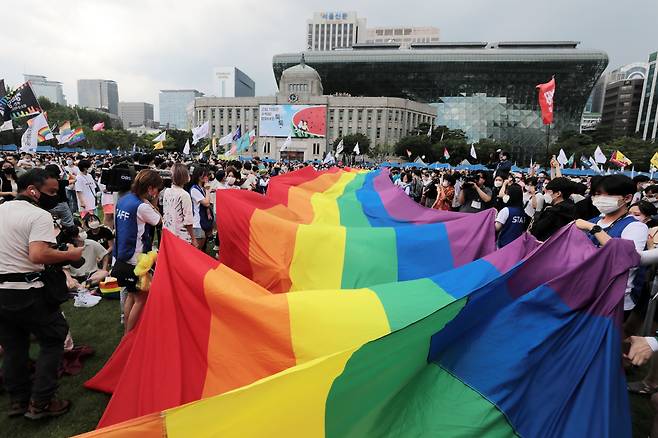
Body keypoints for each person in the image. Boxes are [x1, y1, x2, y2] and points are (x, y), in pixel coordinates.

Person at [0, 169, 84, 419]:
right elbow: (38, 255)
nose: (55, 197)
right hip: (28, 291)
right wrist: (70, 254)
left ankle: (18, 400)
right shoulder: (38, 215)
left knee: (15, 347)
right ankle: (41, 402)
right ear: (33, 190)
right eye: (51, 192)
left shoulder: (2, 209)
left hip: (2, 293)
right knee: (53, 338)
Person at [574, 174, 649, 319]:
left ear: (627, 198)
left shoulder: (636, 226)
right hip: (586, 291)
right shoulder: (596, 220)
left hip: (615, 299)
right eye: (597, 194)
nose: (599, 199)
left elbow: (627, 257)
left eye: (606, 195)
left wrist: (593, 228)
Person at [111, 169, 162, 334]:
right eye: (157, 189)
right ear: (150, 188)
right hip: (136, 258)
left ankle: (128, 330)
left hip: (121, 254)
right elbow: (158, 220)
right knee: (140, 298)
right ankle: (130, 333)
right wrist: (153, 203)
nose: (157, 193)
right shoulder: (141, 206)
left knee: (131, 296)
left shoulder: (124, 200)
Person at [528, 177, 576, 241]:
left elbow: (534, 232)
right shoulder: (573, 208)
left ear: (558, 194)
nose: (546, 195)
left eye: (549, 192)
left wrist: (538, 211)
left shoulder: (552, 212)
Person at [162, 163, 197, 247]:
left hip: (168, 233)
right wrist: (193, 238)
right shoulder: (184, 195)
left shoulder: (167, 191)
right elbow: (188, 221)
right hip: (182, 236)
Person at [44, 164, 76, 232]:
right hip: (62, 205)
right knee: (69, 224)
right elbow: (74, 179)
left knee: (50, 225)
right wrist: (68, 173)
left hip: (48, 206)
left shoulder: (43, 183)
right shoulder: (60, 182)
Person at [495, 184, 528, 248]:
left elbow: (497, 227)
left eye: (507, 194)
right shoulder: (523, 212)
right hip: (517, 245)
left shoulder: (506, 210)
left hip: (503, 244)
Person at [188, 166, 213, 252]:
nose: (207, 177)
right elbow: (206, 203)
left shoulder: (202, 188)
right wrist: (208, 190)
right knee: (197, 249)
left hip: (203, 221)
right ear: (199, 177)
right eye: (205, 175)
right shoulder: (194, 189)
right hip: (197, 223)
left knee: (202, 247)